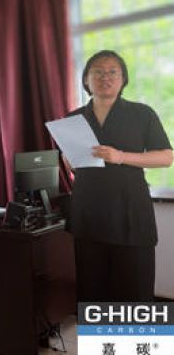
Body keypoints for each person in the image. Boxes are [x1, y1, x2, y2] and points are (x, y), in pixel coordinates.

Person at [66, 50, 172, 302]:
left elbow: (166, 157)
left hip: (130, 215)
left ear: (123, 79)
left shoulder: (142, 113)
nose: (106, 77)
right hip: (89, 215)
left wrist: (121, 156)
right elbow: (72, 165)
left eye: (113, 72)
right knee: (92, 291)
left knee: (134, 293)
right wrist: (71, 160)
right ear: (86, 79)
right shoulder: (73, 118)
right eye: (98, 72)